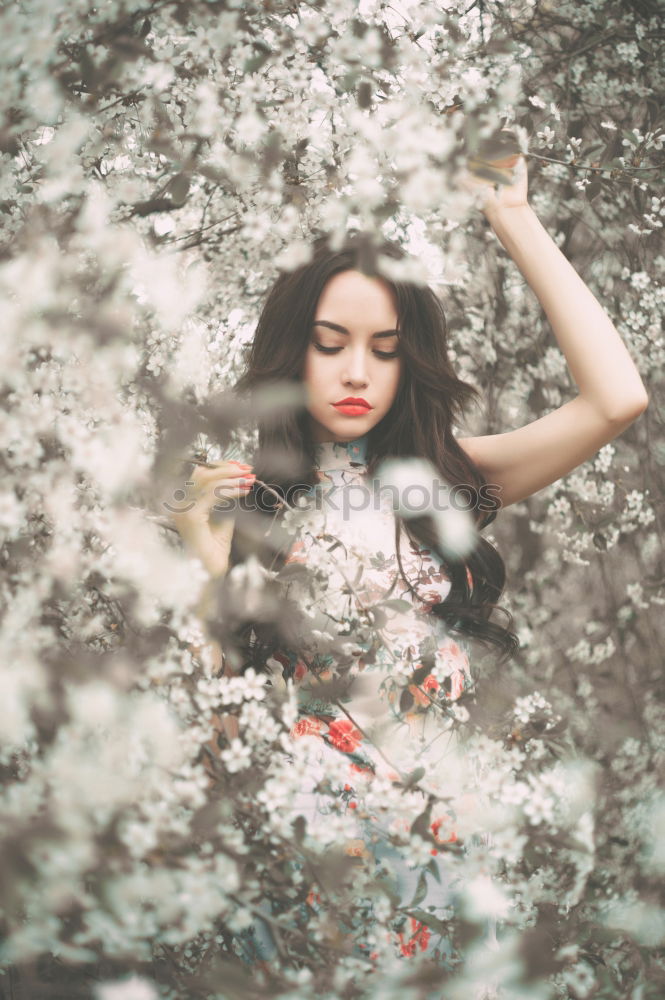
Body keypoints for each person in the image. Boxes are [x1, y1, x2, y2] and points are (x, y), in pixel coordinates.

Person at [168, 153, 649, 985]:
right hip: (304, 867)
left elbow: (615, 401)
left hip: (441, 860)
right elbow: (216, 728)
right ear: (293, 353)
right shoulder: (240, 505)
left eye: (384, 350)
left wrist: (513, 220)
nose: (356, 372)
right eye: (330, 345)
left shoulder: (439, 486)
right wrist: (209, 563)